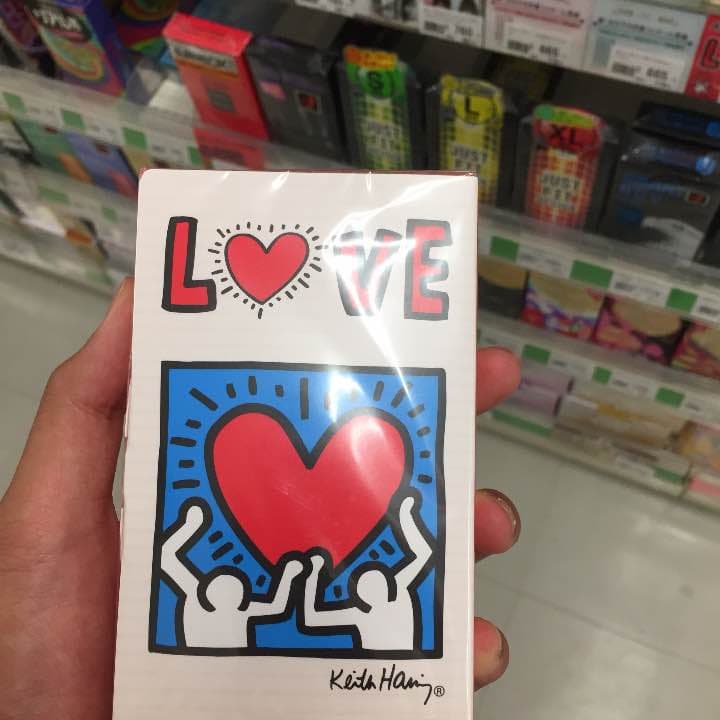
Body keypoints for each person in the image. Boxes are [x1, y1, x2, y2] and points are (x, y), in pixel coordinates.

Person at [0, 279, 522, 719]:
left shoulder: (346, 607)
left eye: (368, 579)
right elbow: (309, 604)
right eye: (371, 578)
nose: (371, 579)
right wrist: (311, 572)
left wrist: (302, 574)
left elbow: (298, 607)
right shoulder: (348, 598)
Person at [160, 501, 303, 649]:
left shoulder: (198, 596)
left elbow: (167, 557)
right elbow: (276, 607)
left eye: (231, 589)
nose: (226, 588)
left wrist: (190, 526)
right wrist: (288, 574)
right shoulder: (200, 597)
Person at [303, 494, 431, 650]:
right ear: (360, 596)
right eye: (368, 586)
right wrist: (313, 574)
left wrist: (406, 516)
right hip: (382, 663)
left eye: (376, 582)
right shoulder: (362, 612)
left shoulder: (397, 590)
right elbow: (312, 619)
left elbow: (424, 554)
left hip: (405, 663)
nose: (374, 589)